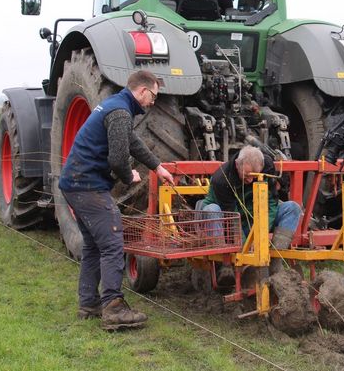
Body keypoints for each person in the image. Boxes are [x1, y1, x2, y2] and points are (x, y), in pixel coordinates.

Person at [58, 70, 175, 330]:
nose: (154, 102)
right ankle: (114, 308)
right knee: (113, 243)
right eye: (154, 96)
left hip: (74, 183)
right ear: (143, 91)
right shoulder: (121, 112)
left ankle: (89, 303)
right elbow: (118, 159)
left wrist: (158, 167)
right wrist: (128, 175)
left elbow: (131, 141)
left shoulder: (116, 106)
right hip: (87, 186)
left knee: (94, 247)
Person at [197, 145, 302, 282]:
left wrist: (260, 236)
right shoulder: (221, 179)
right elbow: (231, 218)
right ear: (237, 165)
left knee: (293, 208)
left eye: (254, 176)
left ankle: (276, 261)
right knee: (212, 210)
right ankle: (223, 264)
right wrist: (247, 248)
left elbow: (270, 204)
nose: (250, 180)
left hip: (253, 217)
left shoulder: (267, 167)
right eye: (246, 176)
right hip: (226, 221)